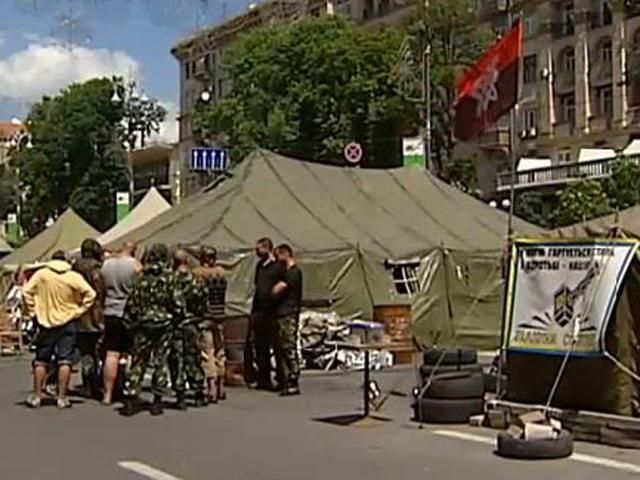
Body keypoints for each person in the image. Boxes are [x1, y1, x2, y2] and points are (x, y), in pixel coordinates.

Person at [22, 252, 97, 409]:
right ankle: (62, 397)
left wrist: (33, 311)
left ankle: (37, 396)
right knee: (65, 359)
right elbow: (91, 294)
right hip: (67, 320)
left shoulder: (42, 275)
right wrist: (79, 310)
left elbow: (26, 292)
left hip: (45, 321)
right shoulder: (72, 276)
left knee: (41, 360)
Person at [121, 244, 175, 417]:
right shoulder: (169, 278)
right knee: (161, 361)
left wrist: (131, 322)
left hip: (143, 325)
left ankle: (130, 398)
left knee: (138, 362)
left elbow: (131, 303)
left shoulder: (140, 278)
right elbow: (178, 303)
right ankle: (157, 401)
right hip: (164, 324)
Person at [100, 241, 142, 405]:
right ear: (133, 251)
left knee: (111, 353)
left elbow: (102, 289)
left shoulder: (107, 265)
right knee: (130, 353)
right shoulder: (135, 266)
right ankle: (128, 390)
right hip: (128, 312)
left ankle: (108, 394)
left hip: (110, 311)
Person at [169, 249, 207, 409]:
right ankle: (198, 392)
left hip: (175, 325)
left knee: (176, 359)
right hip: (192, 324)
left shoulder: (169, 280)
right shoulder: (196, 280)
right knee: (193, 357)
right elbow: (204, 302)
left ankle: (180, 396)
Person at [193, 246, 227, 403]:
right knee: (220, 351)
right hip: (220, 315)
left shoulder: (197, 273)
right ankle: (221, 386)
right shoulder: (221, 272)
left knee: (208, 353)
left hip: (205, 317)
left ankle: (211, 388)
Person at [72, 238, 105, 399]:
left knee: (85, 352)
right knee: (98, 351)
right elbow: (99, 289)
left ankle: (87, 383)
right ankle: (98, 384)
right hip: (95, 315)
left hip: (78, 313)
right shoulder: (95, 268)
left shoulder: (74, 268)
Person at [250, 237, 285, 390]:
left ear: (267, 248)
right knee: (260, 347)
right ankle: (264, 379)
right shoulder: (260, 267)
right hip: (259, 312)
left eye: (259, 249)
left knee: (277, 347)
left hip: (273, 312)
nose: (256, 252)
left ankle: (282, 378)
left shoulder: (277, 267)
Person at [272, 244, 303, 396]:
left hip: (288, 314)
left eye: (278, 257)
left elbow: (277, 289)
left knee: (288, 347)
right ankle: (286, 378)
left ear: (285, 255)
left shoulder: (293, 273)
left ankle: (293, 379)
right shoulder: (288, 272)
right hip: (283, 313)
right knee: (283, 347)